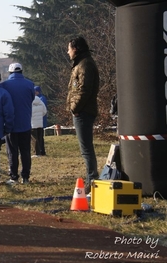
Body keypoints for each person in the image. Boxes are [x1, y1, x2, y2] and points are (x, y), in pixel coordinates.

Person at [66, 36, 100, 194]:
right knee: (85, 148)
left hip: (84, 111)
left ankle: (92, 181)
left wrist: (74, 108)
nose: (68, 52)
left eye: (69, 49)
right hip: (83, 110)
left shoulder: (85, 65)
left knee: (86, 149)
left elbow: (84, 90)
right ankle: (92, 179)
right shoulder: (81, 64)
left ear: (76, 49)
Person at [2, 63, 35, 184]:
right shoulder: (30, 84)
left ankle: (13, 176)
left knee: (12, 151)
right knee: (25, 151)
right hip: (25, 123)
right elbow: (31, 99)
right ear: (22, 71)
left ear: (10, 73)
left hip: (10, 124)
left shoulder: (4, 85)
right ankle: (25, 176)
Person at [34, 86, 48, 156]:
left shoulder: (41, 99)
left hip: (35, 122)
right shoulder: (42, 99)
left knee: (36, 137)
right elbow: (44, 111)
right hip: (40, 121)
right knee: (40, 137)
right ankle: (42, 151)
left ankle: (38, 151)